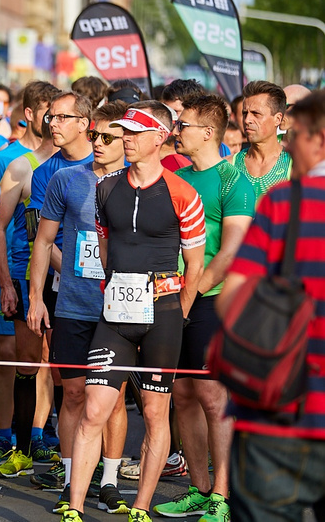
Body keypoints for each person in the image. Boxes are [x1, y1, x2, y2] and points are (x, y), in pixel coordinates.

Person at [62, 102, 206, 522]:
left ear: (159, 138)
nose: (125, 139)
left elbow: (194, 266)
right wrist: (117, 287)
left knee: (156, 412)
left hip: (162, 315)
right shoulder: (106, 188)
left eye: (134, 133)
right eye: (122, 132)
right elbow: (106, 249)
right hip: (116, 315)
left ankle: (140, 506)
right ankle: (74, 506)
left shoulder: (183, 193)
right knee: (93, 409)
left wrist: (175, 312)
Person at [217, 89, 325, 522]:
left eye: (295, 134)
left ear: (317, 139)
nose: (290, 143)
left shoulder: (285, 204)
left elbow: (231, 302)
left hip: (281, 412)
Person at [151, 94, 255, 522]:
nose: (177, 132)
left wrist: (189, 297)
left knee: (213, 398)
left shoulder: (234, 181)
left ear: (208, 132)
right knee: (182, 395)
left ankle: (223, 496)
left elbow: (229, 253)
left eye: (184, 125)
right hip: (170, 300)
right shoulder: (174, 175)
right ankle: (198, 487)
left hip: (212, 302)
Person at [27, 101, 130, 514]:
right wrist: (36, 298)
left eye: (108, 137)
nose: (98, 143)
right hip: (71, 303)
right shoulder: (66, 179)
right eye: (95, 135)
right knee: (72, 394)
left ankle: (108, 480)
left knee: (112, 400)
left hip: (120, 308)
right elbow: (43, 242)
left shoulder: (139, 184)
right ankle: (73, 480)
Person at [0, 81, 60, 467]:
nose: (54, 120)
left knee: (51, 359)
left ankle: (39, 433)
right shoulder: (16, 163)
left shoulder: (84, 164)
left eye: (61, 114)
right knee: (14, 355)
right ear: (31, 115)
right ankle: (5, 432)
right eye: (49, 112)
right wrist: (1, 280)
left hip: (66, 277)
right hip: (20, 269)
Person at [232, 81, 292, 201]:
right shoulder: (229, 165)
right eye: (245, 113)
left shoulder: (294, 166)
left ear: (278, 119)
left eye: (256, 114)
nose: (247, 120)